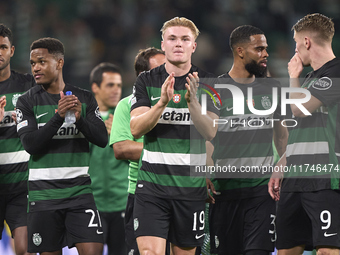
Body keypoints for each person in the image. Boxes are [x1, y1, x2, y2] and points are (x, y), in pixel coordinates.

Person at [130, 17, 219, 255]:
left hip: (189, 189)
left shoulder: (209, 82)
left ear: (194, 46)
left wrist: (193, 105)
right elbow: (136, 128)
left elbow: (211, 131)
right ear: (163, 44)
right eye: (172, 38)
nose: (178, 44)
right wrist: (161, 103)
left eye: (184, 39)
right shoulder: (146, 80)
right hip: (152, 188)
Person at [15, 37, 107, 255]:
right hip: (44, 197)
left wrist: (80, 120)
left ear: (59, 63)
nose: (35, 68)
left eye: (41, 62)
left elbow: (102, 139)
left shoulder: (83, 98)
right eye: (32, 63)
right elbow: (30, 144)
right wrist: (58, 117)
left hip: (80, 193)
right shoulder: (26, 102)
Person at [208, 25, 288, 255]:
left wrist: (283, 168)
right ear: (240, 51)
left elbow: (282, 137)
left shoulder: (272, 88)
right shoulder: (215, 88)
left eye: (266, 49)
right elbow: (207, 137)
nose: (266, 54)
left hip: (261, 194)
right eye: (259, 49)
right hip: (224, 193)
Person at [268, 13, 340, 255]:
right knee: (287, 250)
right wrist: (283, 161)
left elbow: (298, 110)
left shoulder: (336, 73)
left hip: (325, 179)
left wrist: (292, 76)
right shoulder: (311, 79)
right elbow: (303, 129)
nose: (296, 50)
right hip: (295, 180)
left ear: (307, 42)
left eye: (297, 44)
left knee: (327, 250)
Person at [110, 47, 165, 255]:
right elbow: (122, 148)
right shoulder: (126, 105)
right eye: (161, 69)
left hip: (181, 191)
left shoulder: (183, 103)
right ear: (144, 76)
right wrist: (168, 149)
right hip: (142, 193)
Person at [0, 24, 35, 255]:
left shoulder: (28, 86)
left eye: (2, 47)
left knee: (25, 249)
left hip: (21, 184)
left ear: (12, 50)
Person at [88, 62, 128, 255]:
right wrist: (96, 133)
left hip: (122, 201)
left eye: (119, 85)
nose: (116, 90)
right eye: (110, 85)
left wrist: (122, 135)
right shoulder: (81, 117)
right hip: (91, 203)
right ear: (95, 87)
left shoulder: (129, 117)